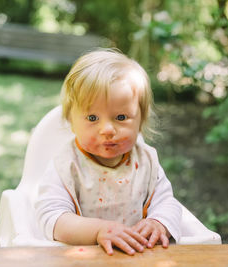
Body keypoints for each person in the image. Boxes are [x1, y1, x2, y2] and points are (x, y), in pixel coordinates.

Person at [35, 49, 182, 256]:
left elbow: (167, 202)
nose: (107, 130)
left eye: (121, 117)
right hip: (84, 257)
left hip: (137, 255)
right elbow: (52, 218)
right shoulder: (67, 165)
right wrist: (98, 231)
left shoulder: (146, 161)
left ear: (141, 120)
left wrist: (159, 222)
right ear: (71, 120)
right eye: (92, 118)